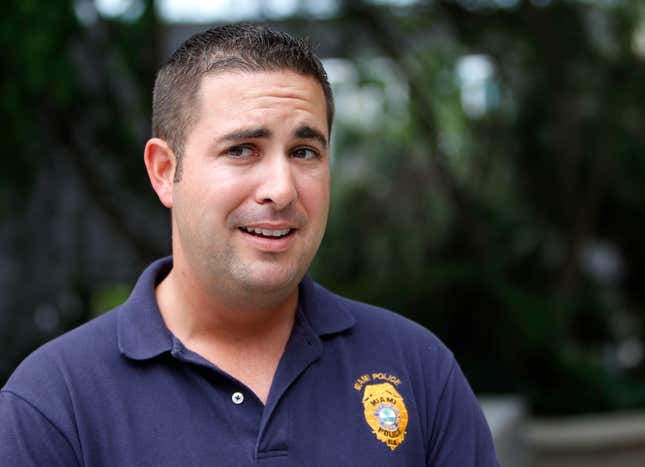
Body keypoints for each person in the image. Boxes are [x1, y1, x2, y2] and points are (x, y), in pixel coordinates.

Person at [0, 24, 498, 466]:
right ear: (164, 172)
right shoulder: (54, 403)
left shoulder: (416, 369)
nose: (280, 189)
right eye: (242, 150)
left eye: (304, 151)